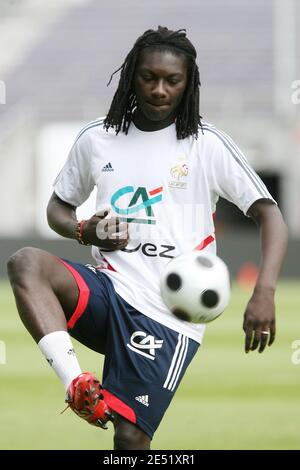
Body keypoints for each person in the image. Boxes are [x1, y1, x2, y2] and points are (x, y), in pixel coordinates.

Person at [7, 26, 288, 450]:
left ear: (188, 84)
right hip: (109, 291)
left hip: (168, 314)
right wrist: (85, 230)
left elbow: (270, 216)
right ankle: (78, 386)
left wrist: (264, 292)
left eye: (172, 81)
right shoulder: (96, 139)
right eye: (149, 77)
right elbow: (57, 209)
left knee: (130, 438)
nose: (159, 89)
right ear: (131, 77)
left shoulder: (205, 144)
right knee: (27, 263)